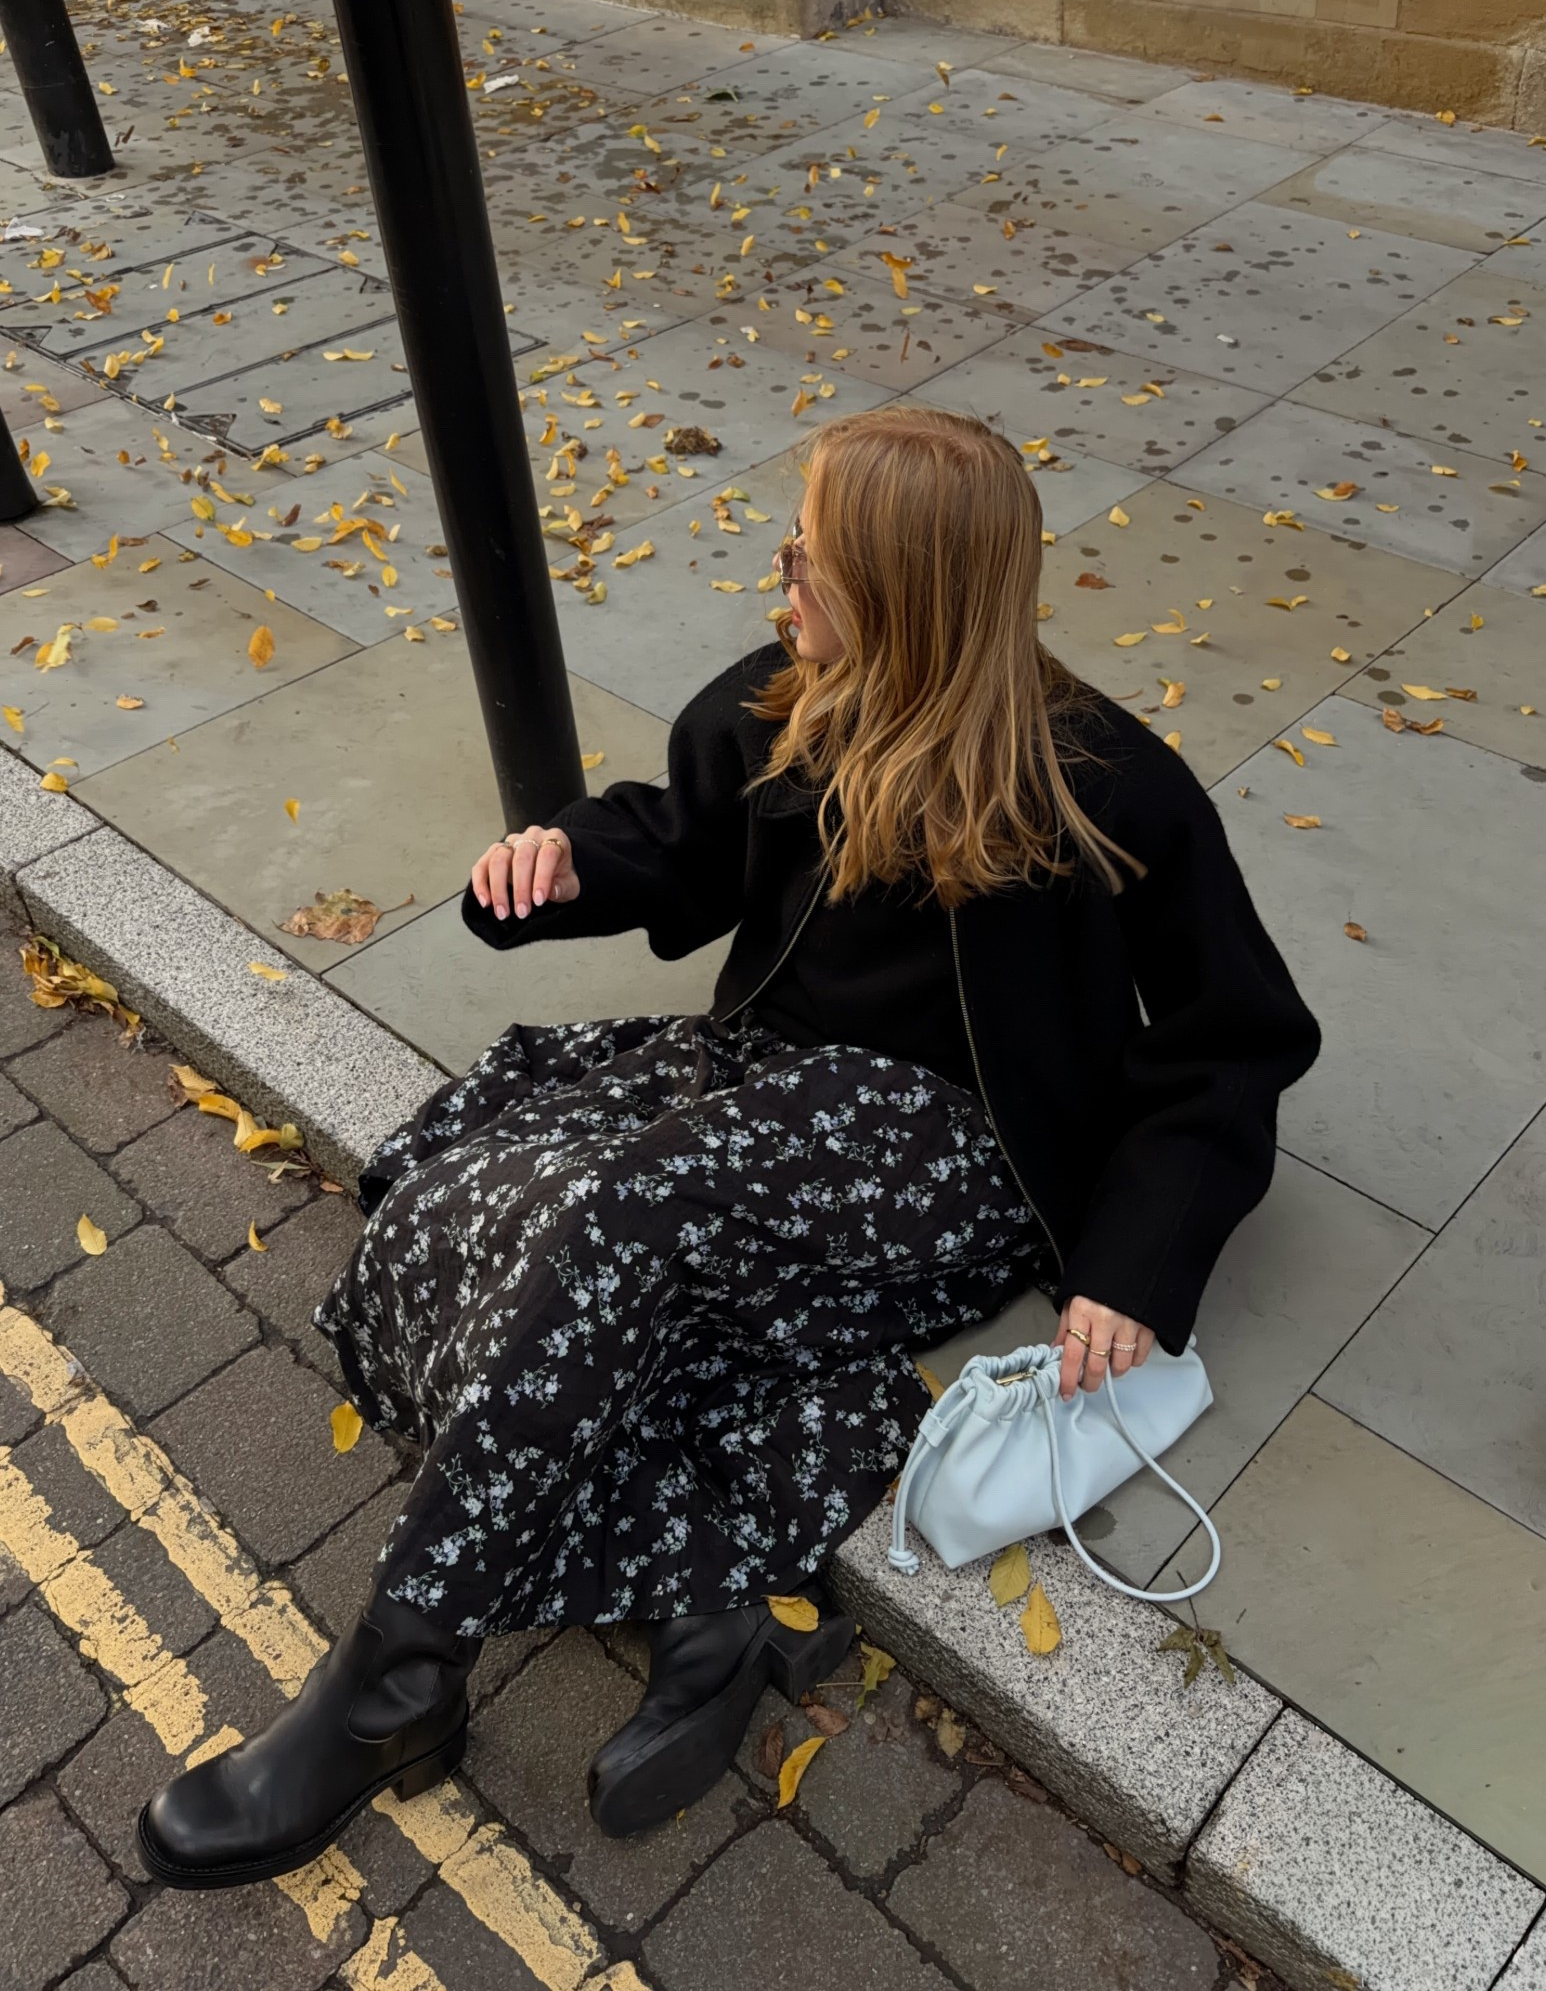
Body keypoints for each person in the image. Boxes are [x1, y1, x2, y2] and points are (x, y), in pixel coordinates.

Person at [136, 401, 1321, 1889]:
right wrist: (556, 864)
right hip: (757, 1081)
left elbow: (1235, 1038)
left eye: (807, 563)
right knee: (458, 1196)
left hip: (944, 1157)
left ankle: (395, 1674)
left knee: (612, 1226)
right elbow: (675, 841)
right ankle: (706, 1598)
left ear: (899, 599)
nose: (778, 586)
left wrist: (1137, 1261)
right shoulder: (784, 696)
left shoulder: (1105, 784)